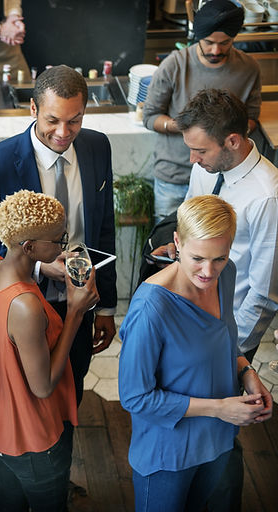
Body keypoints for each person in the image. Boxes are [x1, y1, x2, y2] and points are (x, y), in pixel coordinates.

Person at [0, 64, 117, 511]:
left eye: (75, 120)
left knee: (67, 396)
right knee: (11, 408)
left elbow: (104, 226)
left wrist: (105, 306)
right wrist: (40, 265)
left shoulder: (98, 147)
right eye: (53, 120)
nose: (64, 133)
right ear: (32, 109)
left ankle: (50, 476)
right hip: (23, 310)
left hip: (79, 306)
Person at [152, 88, 278, 512]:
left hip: (229, 331)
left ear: (233, 141)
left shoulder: (268, 196)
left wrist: (233, 354)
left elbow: (265, 292)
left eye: (200, 150)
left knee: (220, 429)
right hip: (183, 316)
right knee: (184, 411)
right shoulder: (207, 168)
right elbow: (191, 222)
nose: (192, 159)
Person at [119, 194, 272, 512]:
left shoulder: (225, 274)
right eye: (198, 258)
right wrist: (219, 408)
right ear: (177, 242)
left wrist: (247, 372)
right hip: (168, 453)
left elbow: (225, 341)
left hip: (217, 440)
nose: (208, 271)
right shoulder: (151, 309)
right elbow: (135, 397)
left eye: (219, 257)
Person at [0, 190, 98, 511]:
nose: (64, 247)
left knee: (9, 501)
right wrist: (75, 312)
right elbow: (42, 387)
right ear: (29, 247)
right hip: (30, 434)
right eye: (58, 240)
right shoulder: (25, 305)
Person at [143, 0, 260, 223]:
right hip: (175, 175)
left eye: (225, 43)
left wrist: (228, 133)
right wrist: (190, 128)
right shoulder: (174, 65)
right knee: (170, 237)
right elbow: (150, 117)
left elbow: (252, 117)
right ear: (198, 36)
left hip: (224, 176)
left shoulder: (248, 68)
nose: (216, 50)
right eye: (209, 43)